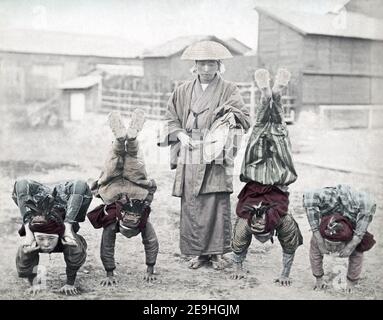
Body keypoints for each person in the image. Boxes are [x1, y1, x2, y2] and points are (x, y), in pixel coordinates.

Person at [157, 40, 251, 269]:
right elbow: (171, 118)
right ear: (195, 66)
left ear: (219, 65)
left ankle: (217, 252)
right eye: (202, 64)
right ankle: (197, 253)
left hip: (216, 151)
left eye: (211, 64)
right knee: (192, 202)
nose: (207, 69)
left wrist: (229, 117)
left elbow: (245, 118)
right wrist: (179, 134)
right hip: (189, 150)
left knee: (216, 201)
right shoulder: (182, 91)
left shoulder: (229, 90)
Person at [230, 68, 302, 285]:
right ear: (270, 230)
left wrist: (238, 267)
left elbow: (238, 246)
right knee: (262, 128)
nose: (260, 234)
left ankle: (273, 94)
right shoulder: (278, 221)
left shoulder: (267, 222)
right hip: (260, 174)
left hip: (273, 174)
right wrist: (284, 274)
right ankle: (270, 95)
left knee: (278, 130)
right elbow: (289, 246)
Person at [89, 110, 159, 285]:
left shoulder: (136, 218)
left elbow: (108, 247)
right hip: (112, 185)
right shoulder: (126, 221)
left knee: (133, 158)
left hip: (134, 185)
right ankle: (121, 140)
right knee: (114, 159)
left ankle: (130, 139)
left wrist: (110, 274)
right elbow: (150, 242)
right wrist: (150, 268)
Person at [12, 178, 92, 295]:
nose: (46, 244)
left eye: (51, 239)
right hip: (40, 204)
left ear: (59, 236)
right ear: (35, 236)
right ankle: (31, 226)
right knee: (21, 184)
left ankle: (68, 224)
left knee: (79, 185)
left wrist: (70, 283)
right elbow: (21, 184)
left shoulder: (67, 239)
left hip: (64, 203)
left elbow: (81, 184)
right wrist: (28, 233)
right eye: (41, 238)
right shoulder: (31, 240)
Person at [303, 184, 376, 293]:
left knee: (360, 245)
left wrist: (351, 281)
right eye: (330, 244)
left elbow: (357, 257)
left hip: (352, 210)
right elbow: (315, 256)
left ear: (346, 241)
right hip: (331, 205)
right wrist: (319, 279)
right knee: (310, 197)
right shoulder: (318, 237)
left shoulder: (352, 238)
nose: (333, 249)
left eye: (336, 245)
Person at [230, 182, 302, 285]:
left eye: (265, 236)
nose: (262, 240)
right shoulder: (244, 222)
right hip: (251, 199)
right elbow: (237, 245)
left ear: (272, 231)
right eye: (258, 235)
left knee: (289, 238)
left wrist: (285, 275)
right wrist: (238, 268)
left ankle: (273, 186)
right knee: (240, 236)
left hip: (276, 199)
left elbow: (290, 247)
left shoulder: (285, 221)